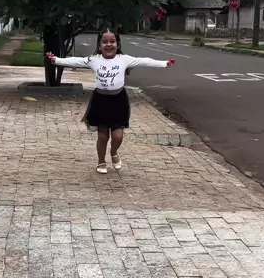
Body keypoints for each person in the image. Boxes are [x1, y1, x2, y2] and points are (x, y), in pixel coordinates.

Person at [47, 29, 175, 174]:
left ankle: (114, 152)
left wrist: (164, 63)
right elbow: (76, 60)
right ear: (99, 45)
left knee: (118, 136)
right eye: (104, 42)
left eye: (112, 41)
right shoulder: (94, 59)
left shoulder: (124, 59)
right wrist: (56, 60)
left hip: (118, 101)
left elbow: (144, 61)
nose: (109, 45)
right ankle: (101, 161)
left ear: (118, 44)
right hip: (100, 101)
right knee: (102, 136)